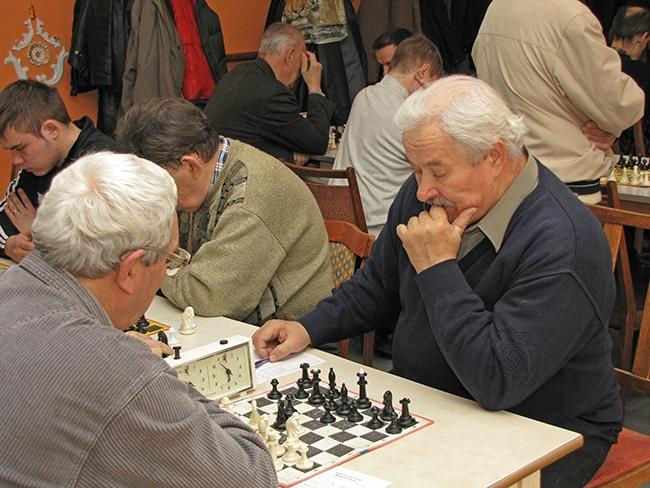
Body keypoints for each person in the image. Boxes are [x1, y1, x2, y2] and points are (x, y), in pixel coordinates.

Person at [253, 75, 621, 487]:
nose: (423, 189)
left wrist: (437, 268)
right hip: (431, 402)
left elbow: (498, 379)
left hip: (545, 429)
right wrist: (308, 327)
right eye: (415, 169)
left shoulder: (564, 241)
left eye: (438, 171)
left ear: (494, 156)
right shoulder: (427, 195)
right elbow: (378, 286)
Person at [0, 152, 277, 487]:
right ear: (130, 270)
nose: (167, 269)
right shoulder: (120, 377)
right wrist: (146, 374)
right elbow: (252, 477)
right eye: (169, 258)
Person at [116, 97, 333, 324]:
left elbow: (209, 298)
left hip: (290, 335)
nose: (156, 194)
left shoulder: (250, 200)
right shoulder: (204, 172)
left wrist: (159, 261)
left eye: (159, 182)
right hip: (230, 326)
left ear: (191, 165)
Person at [472, 0, 644, 204]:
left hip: (510, 176)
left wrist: (609, 125)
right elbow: (619, 103)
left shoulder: (497, 8)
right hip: (565, 181)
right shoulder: (570, 17)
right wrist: (610, 125)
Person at [333, 34, 443, 238]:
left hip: (343, 220)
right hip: (383, 228)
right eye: (434, 83)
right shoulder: (409, 116)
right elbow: (439, 166)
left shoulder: (363, 96)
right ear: (423, 72)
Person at [0, 79, 115, 262]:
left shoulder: (106, 165)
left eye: (20, 148)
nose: (16, 160)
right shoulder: (39, 164)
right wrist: (9, 244)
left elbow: (101, 251)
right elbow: (7, 217)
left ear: (52, 129)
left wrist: (40, 230)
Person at [204, 22, 334, 165]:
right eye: (302, 60)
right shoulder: (272, 92)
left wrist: (285, 154)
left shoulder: (238, 72)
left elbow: (248, 135)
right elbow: (317, 142)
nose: (303, 69)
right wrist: (315, 87)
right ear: (290, 56)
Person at [610, 6, 650, 154]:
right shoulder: (644, 75)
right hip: (635, 159)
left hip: (590, 152)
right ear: (644, 38)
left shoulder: (592, 65)